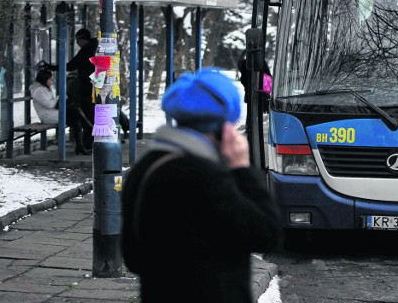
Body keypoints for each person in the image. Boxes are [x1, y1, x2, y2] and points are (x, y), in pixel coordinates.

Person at [121, 68, 282, 303]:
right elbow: (266, 234)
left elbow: (133, 257)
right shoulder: (207, 175)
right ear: (222, 126)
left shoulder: (145, 168)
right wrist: (242, 169)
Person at [48, 28, 98, 149]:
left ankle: (88, 143)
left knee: (88, 115)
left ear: (84, 39)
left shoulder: (86, 51)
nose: (76, 43)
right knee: (92, 115)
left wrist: (53, 67)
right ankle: (91, 142)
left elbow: (71, 65)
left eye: (78, 40)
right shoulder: (95, 48)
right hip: (95, 87)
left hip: (88, 88)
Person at [30, 69, 93, 155]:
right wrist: (59, 97)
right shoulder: (38, 91)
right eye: (50, 79)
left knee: (76, 119)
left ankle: (80, 147)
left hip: (53, 113)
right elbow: (49, 104)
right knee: (75, 110)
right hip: (47, 116)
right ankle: (88, 126)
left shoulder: (45, 89)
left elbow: (52, 103)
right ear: (44, 79)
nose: (51, 81)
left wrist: (60, 98)